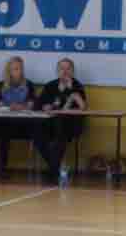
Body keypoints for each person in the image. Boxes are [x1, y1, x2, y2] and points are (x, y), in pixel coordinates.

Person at [35, 57, 87, 185]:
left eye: (68, 69)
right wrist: (45, 106)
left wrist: (71, 91)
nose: (65, 71)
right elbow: (38, 104)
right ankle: (55, 167)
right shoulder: (50, 85)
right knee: (37, 135)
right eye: (62, 69)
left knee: (60, 136)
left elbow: (83, 108)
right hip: (50, 123)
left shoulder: (77, 86)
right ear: (57, 71)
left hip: (71, 125)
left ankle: (53, 171)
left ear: (72, 71)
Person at [0, 56, 37, 180]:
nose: (18, 71)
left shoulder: (29, 85)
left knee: (4, 130)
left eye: (20, 68)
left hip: (24, 123)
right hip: (4, 122)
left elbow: (32, 104)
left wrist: (22, 106)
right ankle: (0, 168)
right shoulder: (1, 86)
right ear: (9, 71)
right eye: (15, 69)